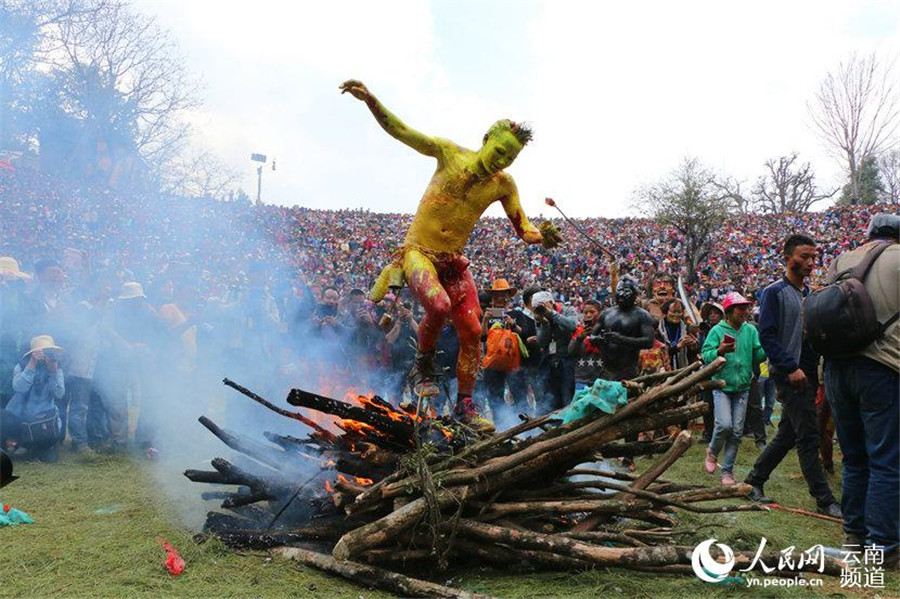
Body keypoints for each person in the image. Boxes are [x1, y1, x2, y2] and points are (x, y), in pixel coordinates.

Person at [340, 79, 561, 424]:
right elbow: (403, 132)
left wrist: (541, 237)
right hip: (418, 253)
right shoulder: (448, 153)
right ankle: (423, 365)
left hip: (454, 263)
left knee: (473, 332)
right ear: (486, 139)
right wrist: (371, 100)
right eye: (500, 150)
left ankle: (465, 405)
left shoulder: (504, 184)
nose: (501, 160)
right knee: (439, 305)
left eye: (510, 157)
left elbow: (523, 227)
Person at [744, 234, 841, 518]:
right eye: (804, 257)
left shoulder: (809, 295)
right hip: (790, 375)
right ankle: (824, 499)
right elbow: (768, 336)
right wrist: (790, 367)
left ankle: (754, 481)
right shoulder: (774, 292)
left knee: (787, 434)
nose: (810, 262)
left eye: (814, 257)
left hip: (808, 373)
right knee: (809, 436)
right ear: (787, 258)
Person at [824, 213, 899, 567]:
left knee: (854, 458)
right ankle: (883, 546)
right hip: (883, 368)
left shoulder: (841, 260)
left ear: (868, 233)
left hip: (837, 369)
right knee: (887, 459)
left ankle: (854, 537)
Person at [701, 293, 766, 486]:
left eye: (746, 308)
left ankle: (727, 472)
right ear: (729, 312)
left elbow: (758, 356)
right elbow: (705, 355)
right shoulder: (717, 330)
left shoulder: (751, 331)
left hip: (743, 386)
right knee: (724, 425)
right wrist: (719, 350)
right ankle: (712, 451)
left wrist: (768, 346)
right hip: (721, 385)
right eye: (741, 308)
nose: (745, 311)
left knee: (737, 432)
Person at [2, 335, 66, 462]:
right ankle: (18, 445)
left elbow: (59, 394)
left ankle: (37, 447)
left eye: (49, 352)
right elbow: (19, 388)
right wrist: (32, 364)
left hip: (44, 421)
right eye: (42, 352)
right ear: (32, 353)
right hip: (20, 418)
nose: (45, 356)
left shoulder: (56, 369)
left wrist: (53, 372)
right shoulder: (21, 367)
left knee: (49, 459)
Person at [481, 279, 528, 424]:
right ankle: (501, 427)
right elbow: (482, 337)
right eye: (496, 296)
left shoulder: (517, 314)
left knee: (519, 395)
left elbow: (523, 333)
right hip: (493, 362)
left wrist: (512, 324)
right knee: (495, 397)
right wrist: (485, 320)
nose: (499, 299)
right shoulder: (487, 315)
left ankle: (525, 427)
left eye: (503, 295)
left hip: (513, 361)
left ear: (508, 296)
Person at [533, 290, 578, 413]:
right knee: (551, 397)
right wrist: (544, 324)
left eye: (543, 305)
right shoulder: (539, 317)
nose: (540, 309)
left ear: (551, 302)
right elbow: (542, 342)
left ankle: (569, 424)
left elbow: (573, 326)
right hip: (549, 360)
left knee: (567, 395)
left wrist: (551, 314)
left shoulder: (568, 310)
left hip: (567, 359)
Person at [569, 300, 605, 391]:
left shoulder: (606, 330)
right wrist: (580, 338)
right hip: (582, 379)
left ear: (600, 313)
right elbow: (571, 352)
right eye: (585, 312)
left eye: (592, 312)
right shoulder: (578, 331)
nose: (588, 315)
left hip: (602, 378)